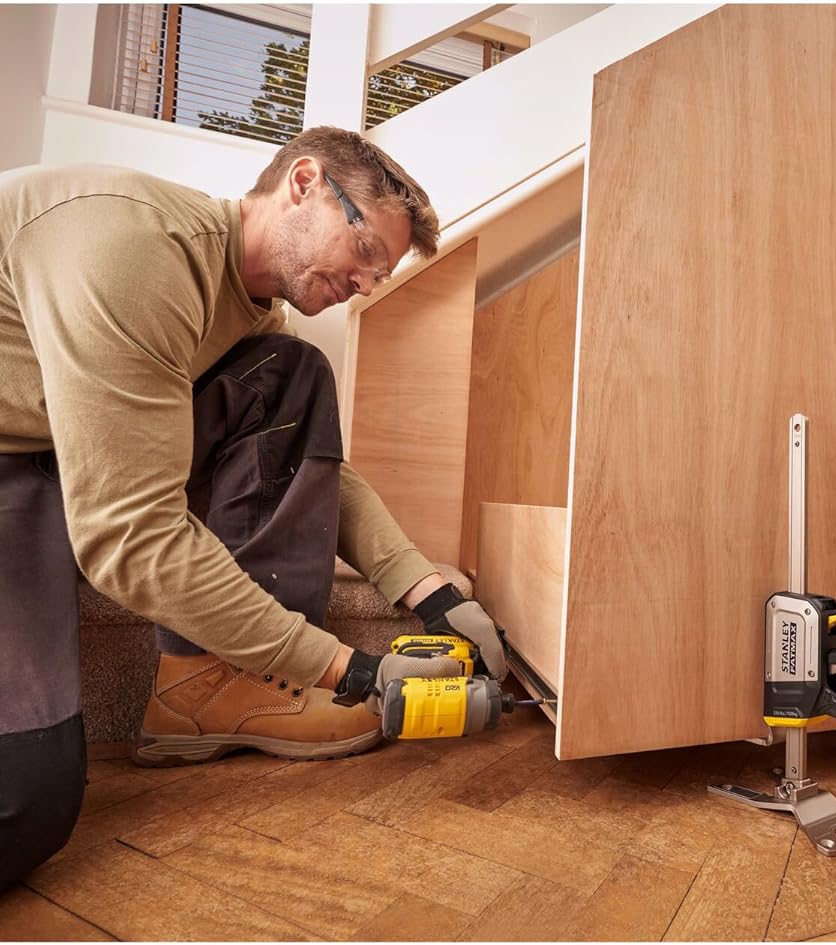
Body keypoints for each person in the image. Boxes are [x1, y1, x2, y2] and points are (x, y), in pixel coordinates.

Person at [0, 126, 508, 888]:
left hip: (53, 447)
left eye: (383, 272)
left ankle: (209, 681)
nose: (369, 285)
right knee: (24, 799)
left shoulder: (253, 312)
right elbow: (133, 540)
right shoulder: (135, 251)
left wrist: (429, 593)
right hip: (13, 459)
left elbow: (321, 473)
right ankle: (244, 669)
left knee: (289, 375)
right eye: (367, 253)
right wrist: (352, 669)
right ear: (303, 182)